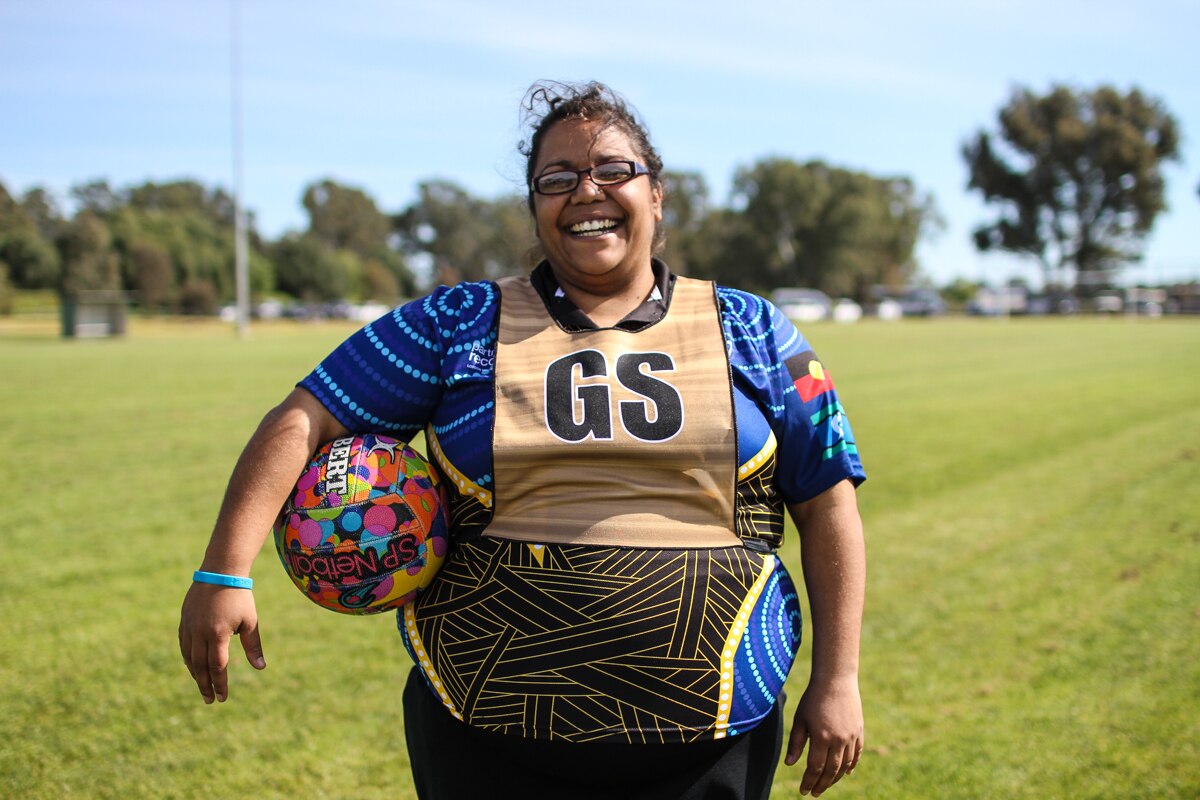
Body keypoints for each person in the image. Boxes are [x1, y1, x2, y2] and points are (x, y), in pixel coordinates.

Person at [180, 80, 866, 799]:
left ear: (656, 194)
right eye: (557, 179)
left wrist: (839, 677)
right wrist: (224, 570)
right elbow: (306, 418)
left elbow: (829, 502)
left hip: (713, 736)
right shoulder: (457, 323)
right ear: (535, 205)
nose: (586, 191)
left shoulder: (755, 331)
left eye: (612, 170)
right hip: (487, 739)